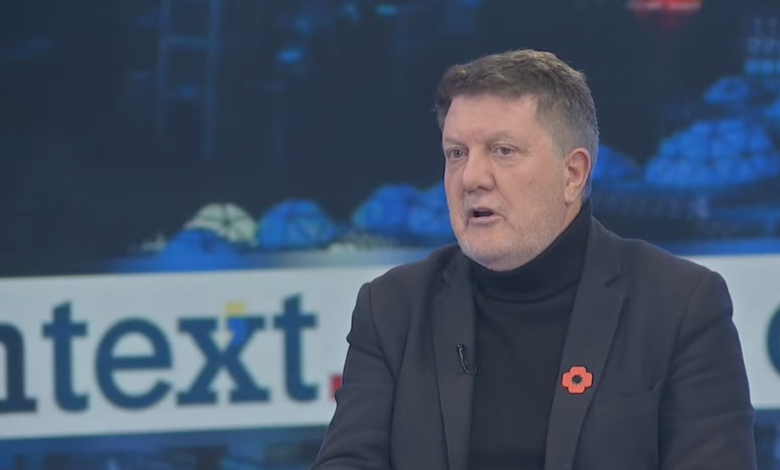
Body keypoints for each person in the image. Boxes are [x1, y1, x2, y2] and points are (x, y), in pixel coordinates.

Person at [311, 49, 757, 470]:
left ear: (573, 174)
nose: (471, 178)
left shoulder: (679, 305)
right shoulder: (393, 309)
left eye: (502, 151)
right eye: (456, 154)